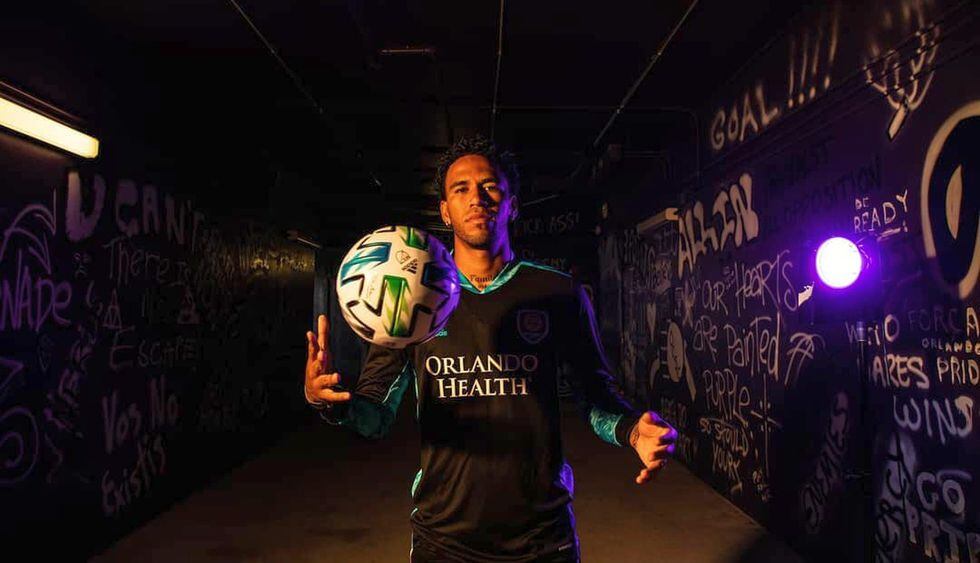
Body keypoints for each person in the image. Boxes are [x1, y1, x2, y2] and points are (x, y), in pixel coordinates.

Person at [304, 135, 677, 562]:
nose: (476, 198)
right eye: (460, 189)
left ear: (512, 205)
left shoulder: (558, 292)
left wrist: (632, 431)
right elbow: (375, 418)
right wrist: (331, 402)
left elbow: (595, 398)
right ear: (445, 210)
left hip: (543, 537)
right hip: (444, 538)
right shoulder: (413, 299)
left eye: (490, 187)